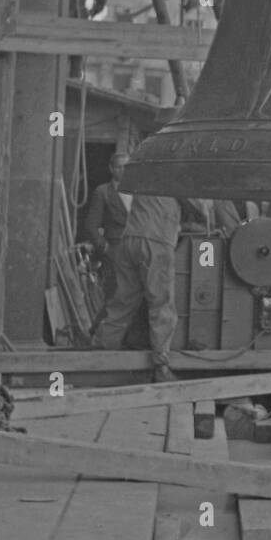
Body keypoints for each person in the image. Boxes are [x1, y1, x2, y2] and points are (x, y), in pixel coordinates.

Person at [94, 190, 180, 383]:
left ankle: (101, 351)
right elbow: (199, 205)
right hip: (157, 240)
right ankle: (161, 366)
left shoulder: (144, 166)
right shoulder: (176, 173)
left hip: (130, 238)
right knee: (161, 303)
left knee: (122, 302)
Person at [82, 151, 131, 306]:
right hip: (115, 251)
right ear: (111, 169)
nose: (123, 171)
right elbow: (91, 226)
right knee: (114, 297)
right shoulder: (103, 192)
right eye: (119, 167)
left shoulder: (139, 193)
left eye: (126, 167)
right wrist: (105, 248)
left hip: (137, 250)